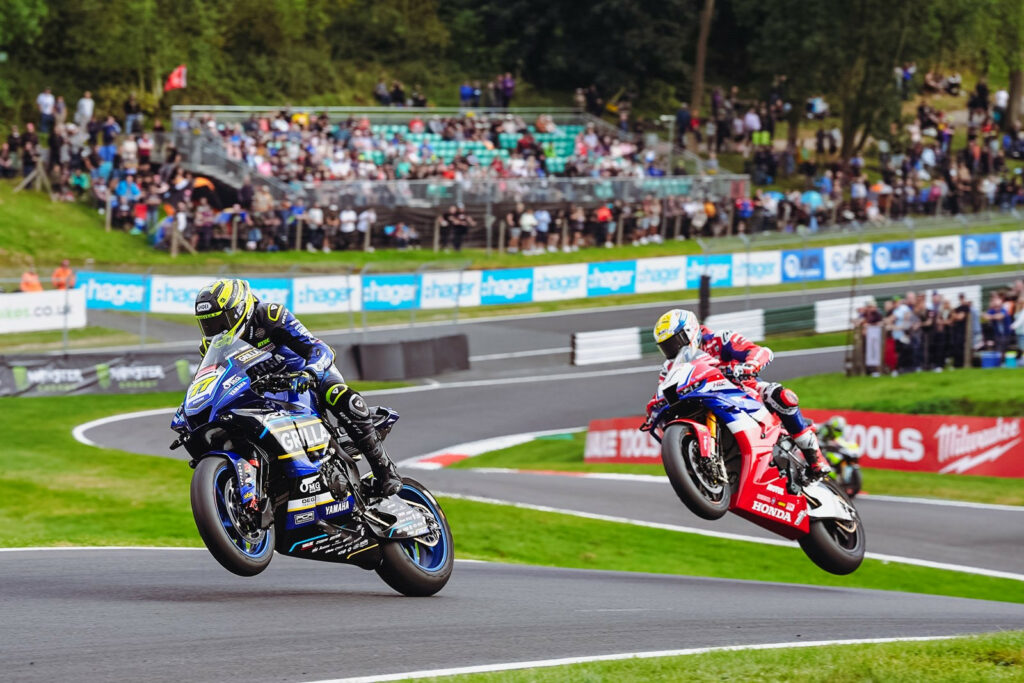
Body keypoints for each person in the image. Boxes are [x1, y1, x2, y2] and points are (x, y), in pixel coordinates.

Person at [191, 279, 402, 496]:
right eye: (208, 324)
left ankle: (385, 470)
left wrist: (310, 372)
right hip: (264, 393)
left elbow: (320, 348)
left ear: (239, 310)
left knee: (340, 396)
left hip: (303, 377)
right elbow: (213, 380)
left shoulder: (269, 315)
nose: (215, 329)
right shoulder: (211, 346)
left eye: (220, 321)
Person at [646, 309, 831, 478]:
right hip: (701, 399)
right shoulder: (669, 367)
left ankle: (815, 457)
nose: (673, 350)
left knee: (780, 395)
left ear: (690, 332)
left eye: (675, 343)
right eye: (666, 347)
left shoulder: (720, 339)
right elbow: (663, 389)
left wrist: (750, 365)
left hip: (743, 389)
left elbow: (759, 351)